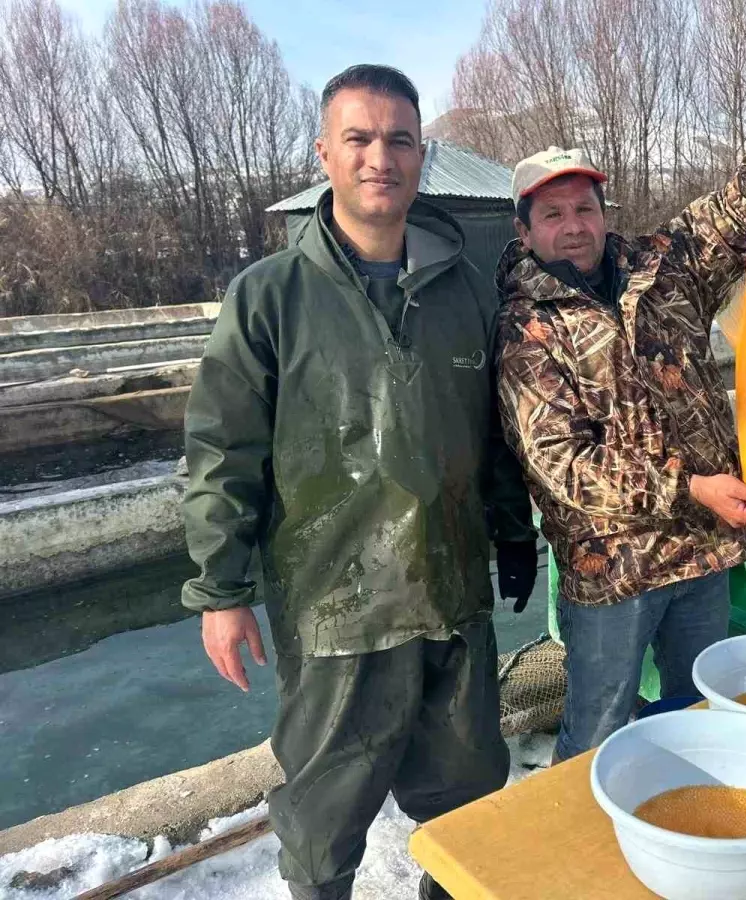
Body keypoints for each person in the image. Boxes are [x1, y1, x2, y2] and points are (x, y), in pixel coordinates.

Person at [180, 64, 538, 900]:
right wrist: (221, 591)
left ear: (422, 156)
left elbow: (496, 433)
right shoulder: (268, 297)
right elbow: (222, 450)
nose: (382, 157)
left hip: (452, 599)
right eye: (360, 138)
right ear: (325, 155)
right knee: (322, 823)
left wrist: (513, 530)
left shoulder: (469, 292)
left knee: (467, 807)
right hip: (334, 611)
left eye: (400, 140)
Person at [494, 139, 746, 762]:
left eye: (585, 208)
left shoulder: (661, 269)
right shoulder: (525, 330)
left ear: (604, 213)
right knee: (596, 732)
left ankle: (691, 805)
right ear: (524, 230)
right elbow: (563, 464)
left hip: (701, 553)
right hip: (613, 574)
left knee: (702, 711)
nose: (574, 226)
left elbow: (723, 217)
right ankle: (584, 820)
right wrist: (692, 488)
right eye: (553, 214)